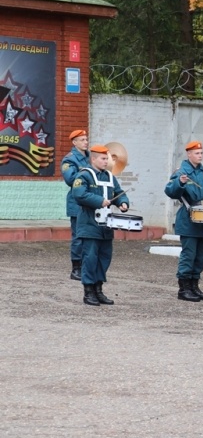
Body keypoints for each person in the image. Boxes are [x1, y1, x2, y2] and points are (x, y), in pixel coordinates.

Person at [164, 140, 203, 302]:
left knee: (201, 256)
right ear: (189, 154)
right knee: (189, 254)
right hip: (189, 218)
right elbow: (170, 191)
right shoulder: (181, 172)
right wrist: (180, 183)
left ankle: (195, 286)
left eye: (201, 153)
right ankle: (184, 289)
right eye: (197, 153)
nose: (200, 156)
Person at [72, 144, 130, 306]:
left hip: (106, 226)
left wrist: (123, 203)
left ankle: (98, 289)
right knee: (90, 258)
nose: (106, 162)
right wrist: (99, 201)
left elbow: (118, 193)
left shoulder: (110, 177)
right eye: (103, 159)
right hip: (89, 224)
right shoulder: (84, 175)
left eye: (108, 159)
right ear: (94, 159)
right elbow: (79, 194)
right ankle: (88, 291)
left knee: (104, 258)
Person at [61, 129, 90, 280]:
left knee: (90, 235)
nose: (86, 142)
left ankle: (87, 266)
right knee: (78, 237)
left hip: (91, 202)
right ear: (74, 142)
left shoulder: (91, 157)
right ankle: (76, 269)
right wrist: (86, 173)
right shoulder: (70, 159)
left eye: (86, 139)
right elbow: (70, 179)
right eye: (82, 140)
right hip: (77, 202)